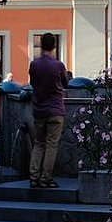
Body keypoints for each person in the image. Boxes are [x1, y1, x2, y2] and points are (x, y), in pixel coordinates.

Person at [28, 33, 68, 190]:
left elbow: (33, 83)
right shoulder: (58, 65)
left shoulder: (34, 65)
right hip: (56, 109)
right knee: (51, 145)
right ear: (54, 46)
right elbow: (65, 83)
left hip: (39, 109)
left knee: (38, 143)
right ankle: (46, 178)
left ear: (41, 45)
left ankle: (33, 176)